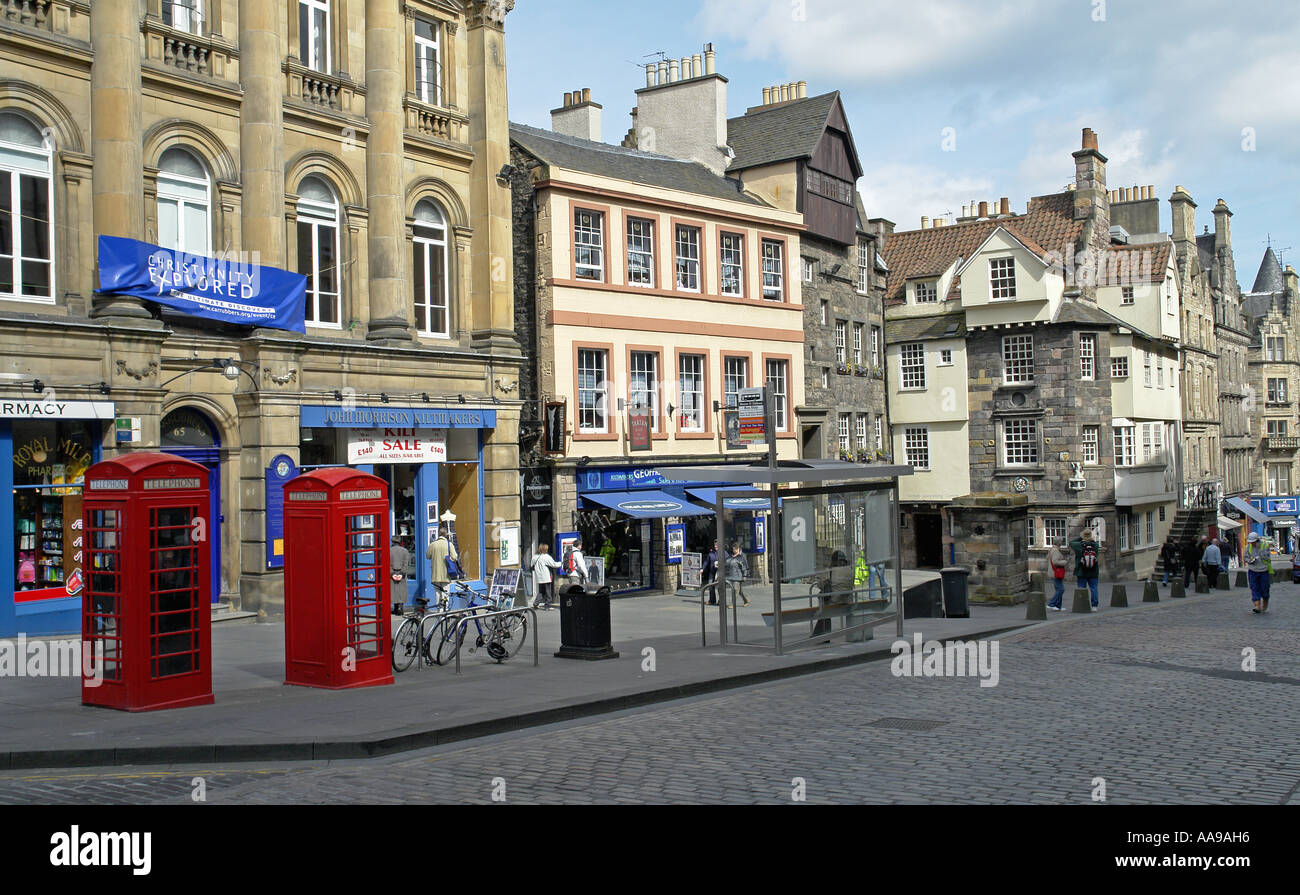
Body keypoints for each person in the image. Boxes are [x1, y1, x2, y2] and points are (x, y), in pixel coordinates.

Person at [426, 524, 458, 606]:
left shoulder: (433, 544)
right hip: (446, 574)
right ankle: (445, 610)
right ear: (446, 535)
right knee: (445, 593)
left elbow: (428, 556)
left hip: (435, 574)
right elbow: (455, 557)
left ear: (439, 534)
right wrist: (449, 560)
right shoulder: (449, 544)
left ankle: (438, 610)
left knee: (437, 593)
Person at [1069, 529, 1101, 611]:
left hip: (1081, 571)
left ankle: (1081, 603)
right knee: (1094, 588)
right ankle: (1094, 606)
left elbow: (1071, 543)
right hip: (1093, 570)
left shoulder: (1079, 545)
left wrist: (1080, 538)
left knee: (1081, 588)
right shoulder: (1095, 545)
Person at [1244, 532, 1272, 613]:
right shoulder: (1248, 547)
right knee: (1254, 588)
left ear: (1257, 540)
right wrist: (1250, 561)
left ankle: (1265, 603)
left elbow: (1267, 558)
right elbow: (1245, 557)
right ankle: (1257, 606)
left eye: (1253, 542)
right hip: (1253, 570)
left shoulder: (1264, 546)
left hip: (1263, 570)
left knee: (1265, 589)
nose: (1252, 544)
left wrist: (1260, 550)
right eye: (1250, 542)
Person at [530, 543, 562, 609]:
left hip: (539, 576)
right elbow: (554, 564)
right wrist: (561, 563)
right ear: (545, 549)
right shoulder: (546, 556)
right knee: (548, 591)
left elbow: (531, 566)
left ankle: (536, 603)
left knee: (541, 591)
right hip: (546, 576)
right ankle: (548, 605)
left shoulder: (534, 557)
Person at [1047, 537, 1070, 610]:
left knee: (1058, 589)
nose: (1062, 543)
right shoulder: (1055, 551)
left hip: (1054, 572)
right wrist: (1064, 562)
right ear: (1058, 543)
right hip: (1056, 572)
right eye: (1061, 541)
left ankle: (1058, 606)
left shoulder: (1052, 549)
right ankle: (1051, 603)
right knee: (1061, 589)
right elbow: (1055, 562)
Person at [724, 543, 750, 607]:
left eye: (736, 549)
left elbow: (745, 567)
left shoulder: (741, 558)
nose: (734, 550)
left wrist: (745, 576)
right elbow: (725, 564)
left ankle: (732, 604)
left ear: (739, 549)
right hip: (730, 576)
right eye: (733, 549)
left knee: (735, 589)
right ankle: (745, 600)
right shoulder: (729, 557)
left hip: (738, 577)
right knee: (740, 591)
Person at [702, 541, 719, 606]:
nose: (715, 546)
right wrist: (702, 569)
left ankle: (721, 601)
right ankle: (712, 600)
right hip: (712, 572)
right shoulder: (711, 553)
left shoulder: (724, 553)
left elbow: (728, 561)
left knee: (720, 587)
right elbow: (706, 561)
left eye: (717, 545)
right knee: (710, 585)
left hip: (720, 572)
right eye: (714, 545)